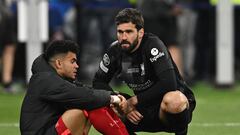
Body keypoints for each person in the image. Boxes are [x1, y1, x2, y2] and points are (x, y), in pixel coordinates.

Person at [92, 8, 196, 135]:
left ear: (140, 32)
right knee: (104, 105)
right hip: (141, 109)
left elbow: (169, 84)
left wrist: (133, 101)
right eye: (120, 32)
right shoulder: (114, 51)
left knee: (174, 100)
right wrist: (121, 102)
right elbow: (98, 82)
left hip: (166, 109)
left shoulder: (153, 45)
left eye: (129, 32)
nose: (123, 37)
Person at [20, 40, 128, 135]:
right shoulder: (45, 80)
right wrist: (113, 99)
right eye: (72, 61)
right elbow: (84, 96)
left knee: (94, 102)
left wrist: (113, 96)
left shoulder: (53, 78)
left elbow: (86, 91)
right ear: (58, 63)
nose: (77, 66)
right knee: (84, 107)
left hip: (48, 130)